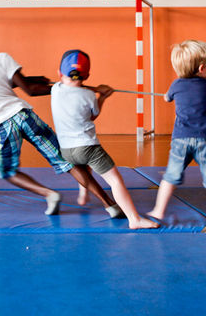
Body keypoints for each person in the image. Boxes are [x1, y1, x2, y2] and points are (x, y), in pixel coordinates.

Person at [0, 28, 117, 215]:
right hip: (23, 115)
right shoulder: (2, 58)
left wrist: (36, 80)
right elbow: (29, 89)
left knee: (6, 171)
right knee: (66, 161)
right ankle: (109, 204)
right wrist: (68, 87)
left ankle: (49, 194)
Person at [50, 50, 159, 229]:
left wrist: (95, 89)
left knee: (82, 166)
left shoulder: (55, 89)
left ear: (59, 73)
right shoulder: (89, 96)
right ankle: (134, 219)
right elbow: (94, 115)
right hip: (88, 148)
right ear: (87, 75)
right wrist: (103, 96)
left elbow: (71, 86)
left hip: (66, 150)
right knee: (115, 180)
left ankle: (83, 194)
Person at [147, 40, 206, 237]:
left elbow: (167, 98)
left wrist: (168, 95)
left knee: (170, 177)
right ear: (202, 68)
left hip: (181, 139)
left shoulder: (176, 84)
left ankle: (159, 210)